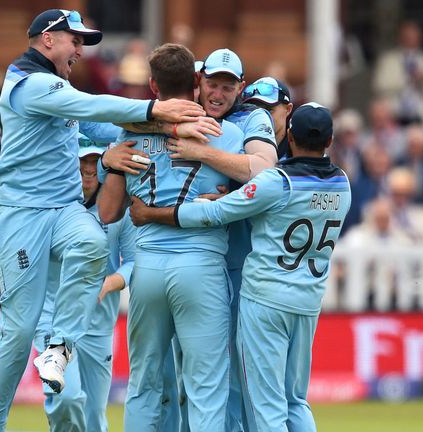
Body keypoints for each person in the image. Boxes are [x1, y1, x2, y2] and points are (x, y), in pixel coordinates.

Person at [0, 9, 204, 431]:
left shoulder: (56, 87)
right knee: (20, 329)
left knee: (93, 243)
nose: (80, 50)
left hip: (61, 209)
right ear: (47, 39)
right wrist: (158, 108)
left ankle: (59, 346)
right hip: (20, 212)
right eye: (74, 40)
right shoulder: (29, 84)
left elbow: (105, 130)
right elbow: (93, 107)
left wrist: (165, 130)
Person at [129, 102, 352, 432]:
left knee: (266, 405)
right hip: (308, 301)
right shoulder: (343, 184)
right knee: (295, 400)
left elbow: (217, 215)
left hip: (265, 302)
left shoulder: (277, 182)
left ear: (288, 137)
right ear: (330, 141)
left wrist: (153, 215)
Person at [98, 43, 244, 432]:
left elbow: (109, 213)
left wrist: (108, 161)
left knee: (144, 384)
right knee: (205, 387)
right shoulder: (224, 132)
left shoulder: (130, 132)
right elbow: (260, 184)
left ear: (152, 86)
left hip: (146, 269)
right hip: (201, 267)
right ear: (196, 82)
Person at [32, 137, 137, 432]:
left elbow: (132, 261)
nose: (87, 179)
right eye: (80, 171)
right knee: (66, 398)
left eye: (93, 172)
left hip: (98, 324)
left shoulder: (117, 210)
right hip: (52, 318)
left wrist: (109, 282)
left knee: (94, 417)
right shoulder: (48, 208)